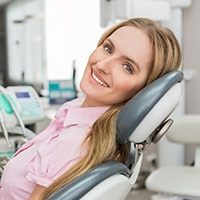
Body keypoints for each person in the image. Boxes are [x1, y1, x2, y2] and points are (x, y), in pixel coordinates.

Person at [0, 17, 182, 200]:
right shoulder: (80, 120)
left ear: (144, 92)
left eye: (127, 67)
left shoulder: (75, 142)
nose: (102, 65)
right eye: (108, 48)